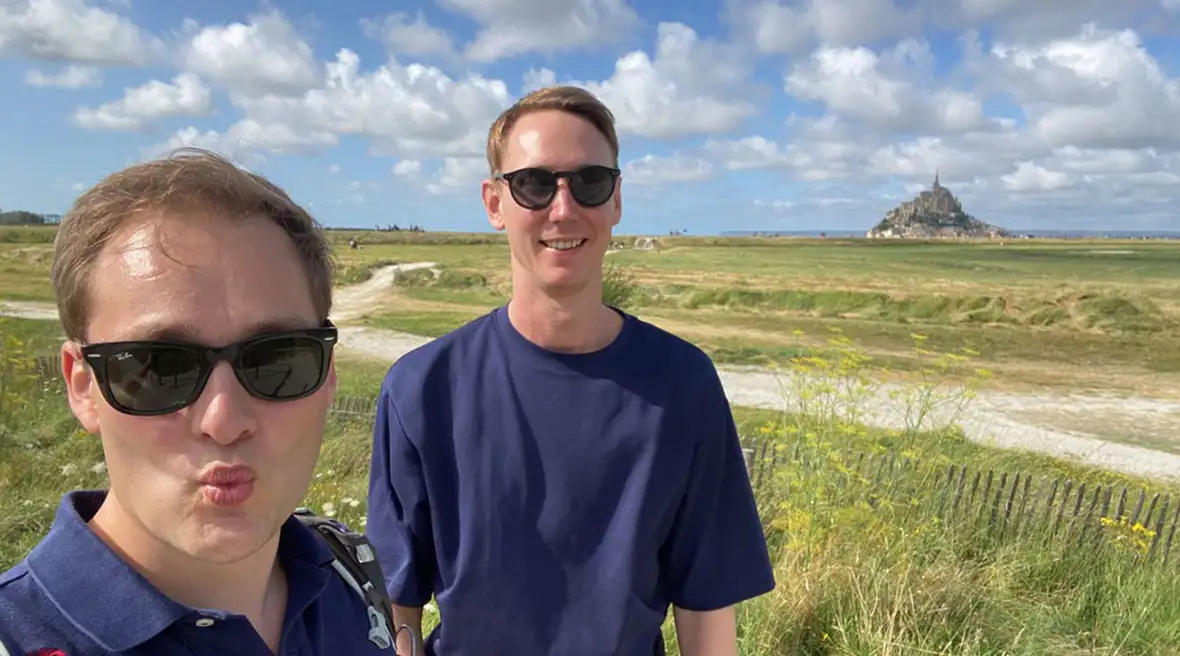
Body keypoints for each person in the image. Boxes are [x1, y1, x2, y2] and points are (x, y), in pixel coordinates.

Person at [365, 85, 776, 656]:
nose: (563, 208)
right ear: (493, 203)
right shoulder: (421, 389)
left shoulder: (683, 387)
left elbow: (706, 609)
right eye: (533, 184)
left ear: (616, 201)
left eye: (589, 182)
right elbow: (397, 606)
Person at [0, 149, 400, 655]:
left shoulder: (352, 577)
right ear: (83, 386)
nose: (224, 420)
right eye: (159, 367)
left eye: (278, 359)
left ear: (327, 377)